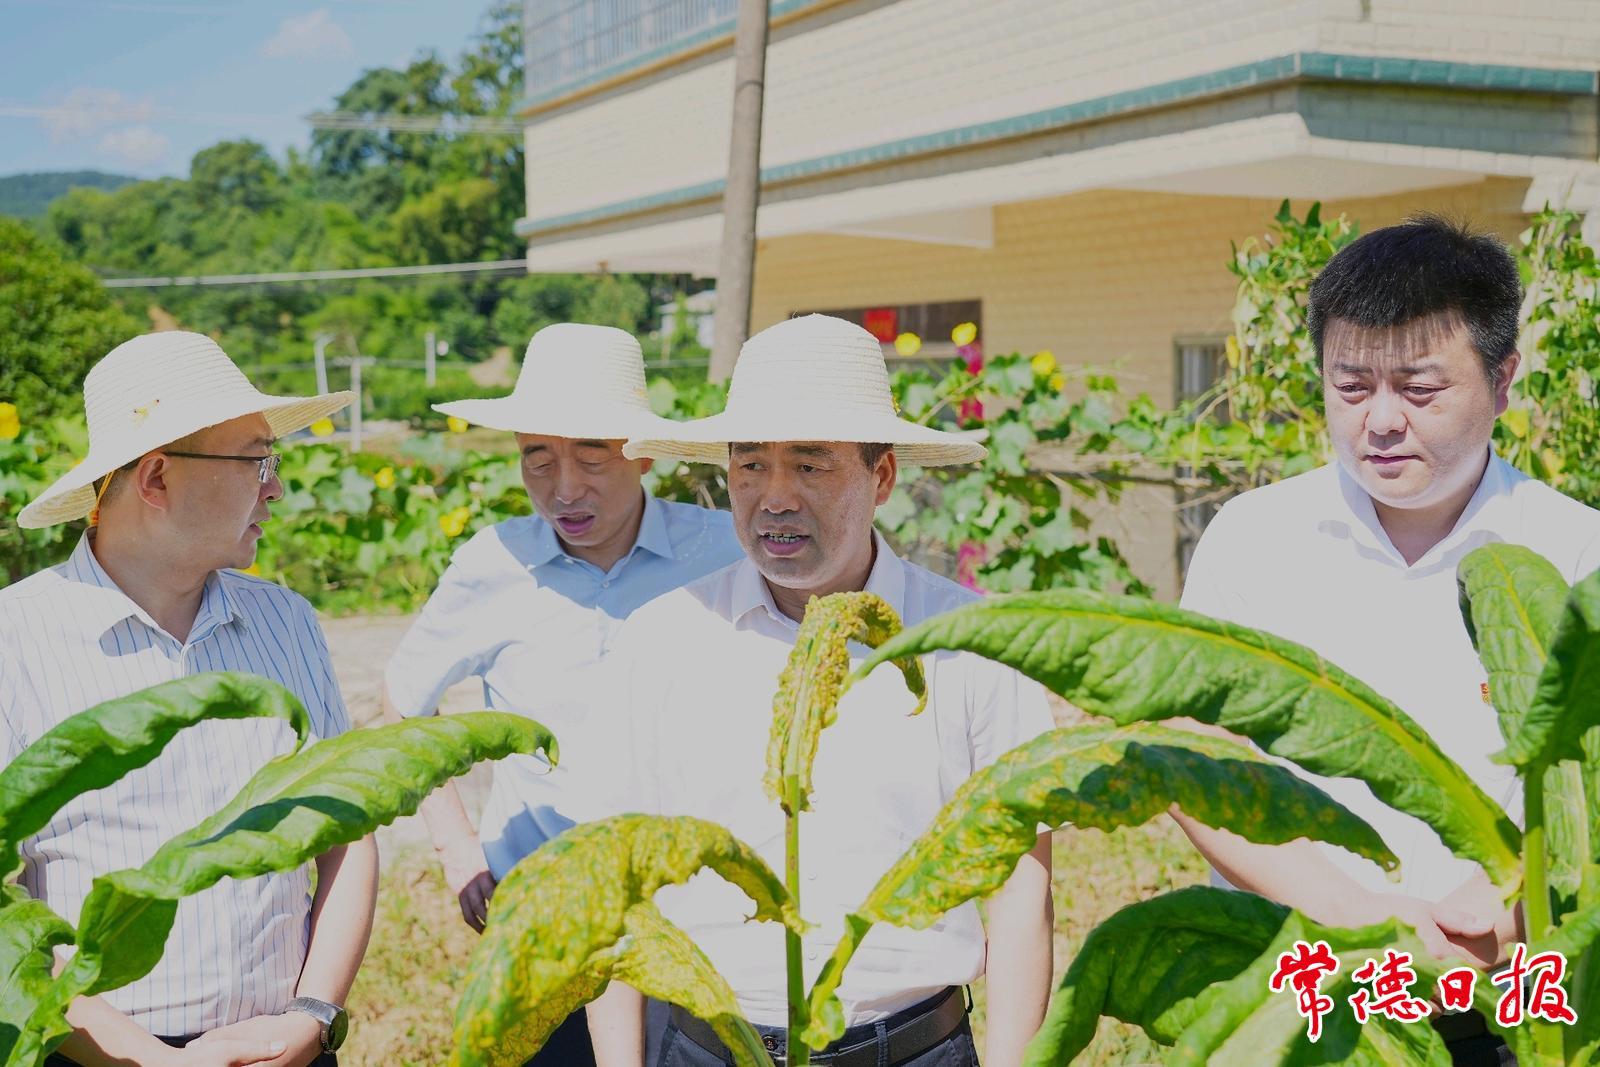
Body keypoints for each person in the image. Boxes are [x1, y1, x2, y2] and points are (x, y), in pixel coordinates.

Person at [1175, 215, 1600, 1064]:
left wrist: (1506, 904)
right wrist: (1359, 917)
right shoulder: (1254, 538)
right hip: (1301, 995)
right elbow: (1195, 755)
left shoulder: (1573, 551)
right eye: (1351, 385)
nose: (1379, 420)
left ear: (1503, 379)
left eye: (1418, 388)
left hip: (1508, 1004)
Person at [585, 314, 1055, 1067]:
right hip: (707, 1047)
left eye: (810, 466)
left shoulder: (970, 644)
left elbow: (1020, 885)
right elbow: (614, 884)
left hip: (912, 1049)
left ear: (883, 477)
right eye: (750, 466)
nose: (775, 498)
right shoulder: (662, 638)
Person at [4, 331, 373, 1067]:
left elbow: (348, 832)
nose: (276, 487)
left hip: (283, 1044)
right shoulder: (16, 640)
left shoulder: (285, 620)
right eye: (257, 460)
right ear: (156, 477)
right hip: (93, 1052)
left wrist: (311, 1017)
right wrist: (153, 1061)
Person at [379, 322, 743, 1067]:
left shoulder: (721, 550)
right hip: (543, 916)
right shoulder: (494, 564)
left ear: (642, 452)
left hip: (696, 914)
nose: (564, 488)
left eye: (592, 456)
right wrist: (457, 848)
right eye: (537, 459)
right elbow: (402, 701)